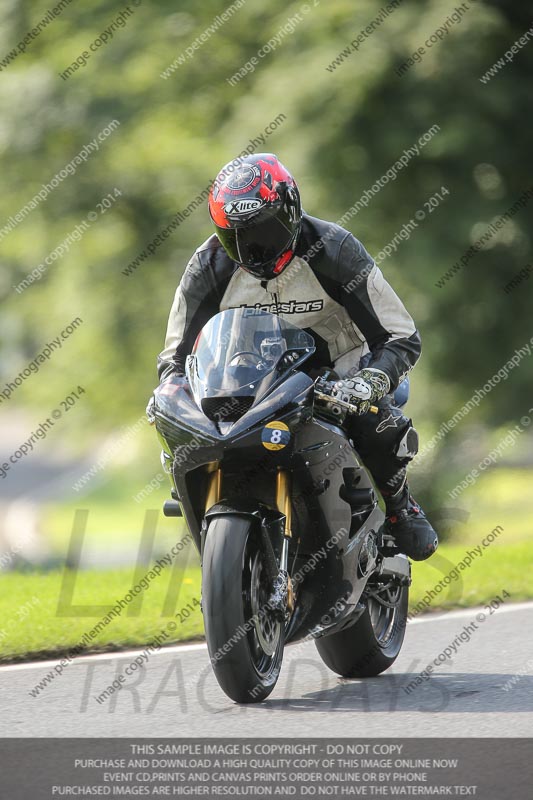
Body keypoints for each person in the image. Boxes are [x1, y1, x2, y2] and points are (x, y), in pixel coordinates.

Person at [156, 153, 438, 561]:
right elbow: (174, 358)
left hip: (340, 373)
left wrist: (369, 381)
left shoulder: (335, 250)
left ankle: (399, 508)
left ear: (290, 210)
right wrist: (174, 396)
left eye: (264, 231)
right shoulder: (209, 266)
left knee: (373, 423)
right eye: (235, 236)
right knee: (191, 437)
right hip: (253, 382)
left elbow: (400, 335)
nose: (252, 250)